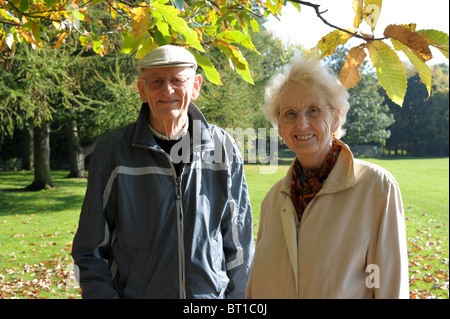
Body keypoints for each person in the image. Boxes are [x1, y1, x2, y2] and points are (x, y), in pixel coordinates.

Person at [72, 45, 254, 299]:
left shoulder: (223, 148)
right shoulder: (113, 151)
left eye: (177, 80)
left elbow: (240, 246)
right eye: (156, 81)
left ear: (195, 86)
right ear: (142, 89)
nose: (167, 89)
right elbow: (90, 249)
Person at [246, 58, 409, 299]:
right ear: (279, 127)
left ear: (335, 118)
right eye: (290, 114)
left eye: (313, 110)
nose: (301, 124)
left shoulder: (376, 187)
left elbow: (391, 287)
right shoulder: (273, 199)